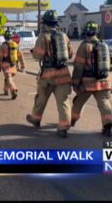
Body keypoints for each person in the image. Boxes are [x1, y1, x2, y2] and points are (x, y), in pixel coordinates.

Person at [26, 10, 73, 138]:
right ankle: (63, 128)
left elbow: (38, 55)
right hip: (63, 74)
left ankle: (35, 119)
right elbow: (69, 54)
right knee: (63, 102)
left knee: (41, 98)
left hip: (48, 76)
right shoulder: (63, 36)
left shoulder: (43, 36)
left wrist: (34, 51)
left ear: (45, 23)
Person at [70, 21, 112, 137]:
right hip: (103, 82)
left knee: (78, 102)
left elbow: (79, 66)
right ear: (96, 32)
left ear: (86, 32)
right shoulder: (104, 45)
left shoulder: (84, 46)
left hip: (87, 83)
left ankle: (72, 120)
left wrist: (75, 82)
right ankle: (108, 125)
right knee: (104, 103)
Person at [0, 29, 25, 99]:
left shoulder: (3, 46)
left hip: (5, 64)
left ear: (5, 37)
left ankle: (13, 90)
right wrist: (23, 65)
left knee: (8, 78)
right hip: (14, 64)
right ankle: (5, 90)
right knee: (8, 78)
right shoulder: (15, 45)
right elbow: (20, 55)